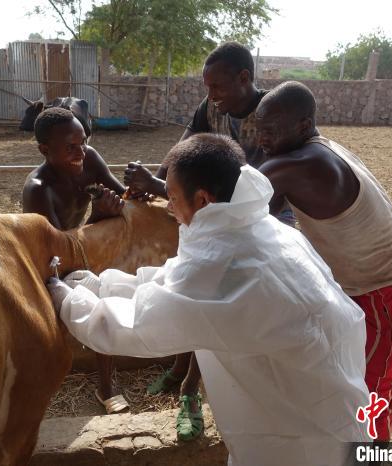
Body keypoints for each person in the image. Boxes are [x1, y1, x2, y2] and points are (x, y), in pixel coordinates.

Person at [47, 133, 370, 465]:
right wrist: (96, 285)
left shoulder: (227, 266)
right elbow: (174, 281)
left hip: (301, 439)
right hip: (325, 405)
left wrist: (65, 299)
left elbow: (134, 327)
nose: (168, 206)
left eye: (171, 197)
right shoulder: (262, 231)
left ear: (202, 200)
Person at [123, 41, 294, 440]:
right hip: (211, 215)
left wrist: (165, 187)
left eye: (217, 87)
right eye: (207, 87)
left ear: (244, 78)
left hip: (260, 221)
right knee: (193, 289)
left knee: (213, 301)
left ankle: (190, 391)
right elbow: (182, 150)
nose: (211, 96)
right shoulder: (212, 108)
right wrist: (156, 179)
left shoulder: (272, 114)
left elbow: (269, 187)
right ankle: (182, 369)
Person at [255, 81, 392, 441]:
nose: (262, 140)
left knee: (369, 396)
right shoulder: (317, 149)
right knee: (344, 380)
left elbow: (238, 204)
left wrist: (162, 187)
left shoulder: (300, 164)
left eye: (270, 131)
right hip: (370, 286)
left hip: (389, 293)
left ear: (304, 126)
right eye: (258, 131)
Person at [22, 107, 129, 414]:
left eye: (83, 141)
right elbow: (58, 251)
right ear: (45, 150)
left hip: (80, 252)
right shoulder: (38, 191)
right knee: (94, 295)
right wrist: (97, 216)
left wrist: (127, 195)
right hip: (47, 265)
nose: (80, 151)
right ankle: (106, 386)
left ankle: (106, 382)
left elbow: (122, 195)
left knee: (109, 283)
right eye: (70, 147)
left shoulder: (89, 158)